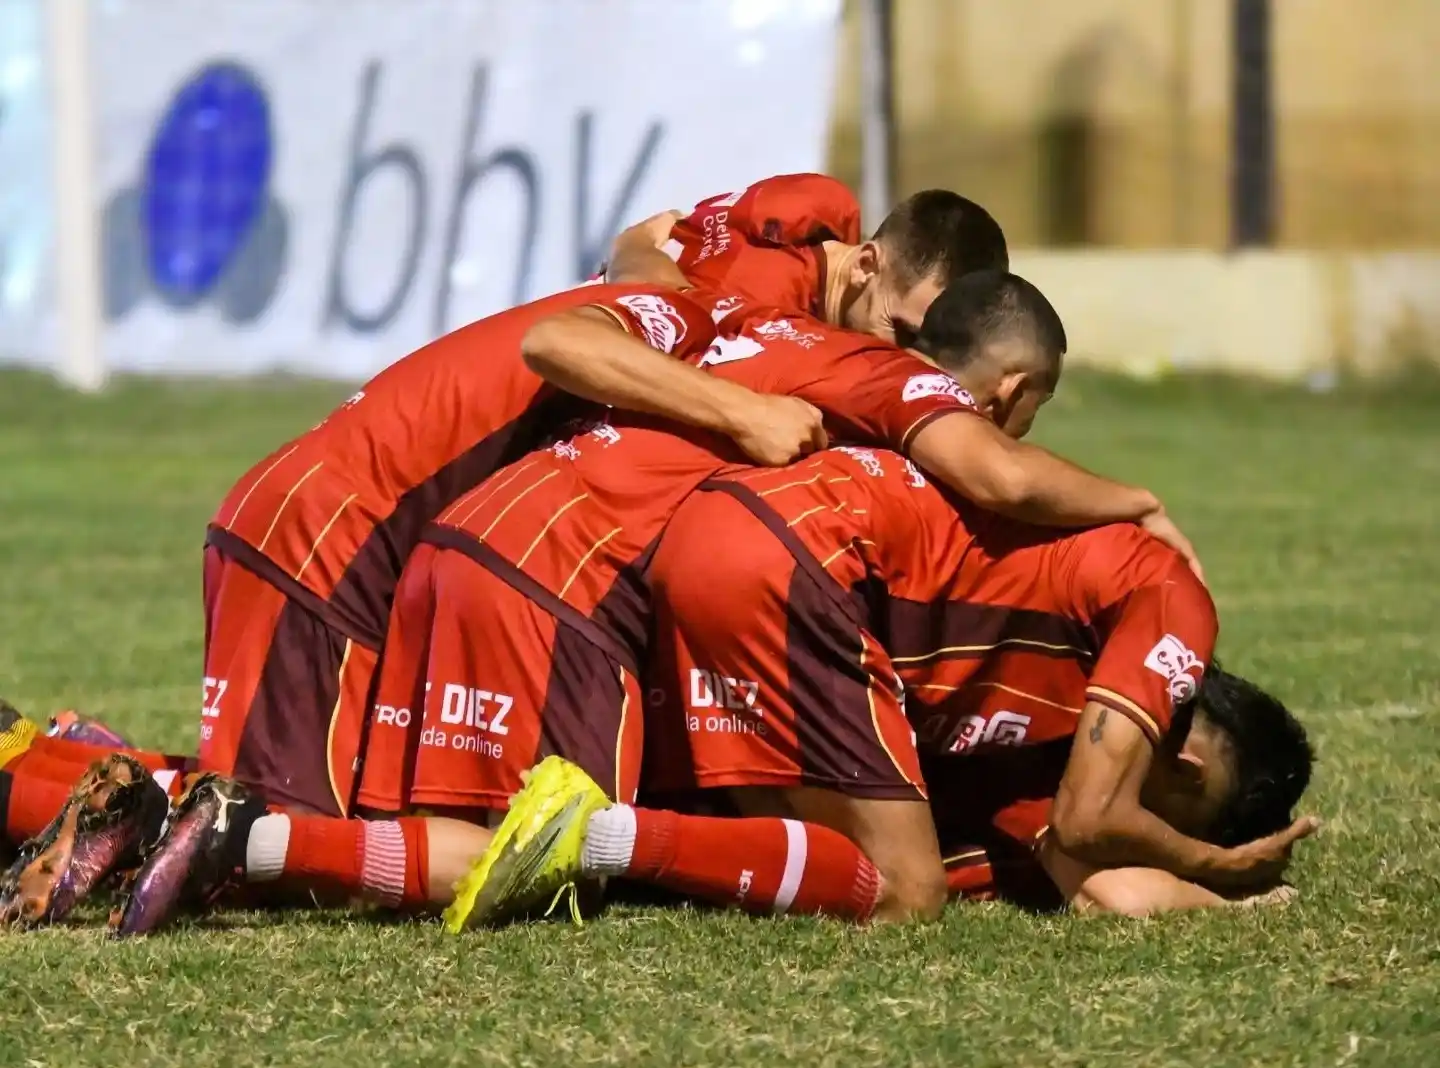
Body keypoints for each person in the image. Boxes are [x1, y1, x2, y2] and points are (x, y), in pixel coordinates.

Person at [0, 177, 1018, 917]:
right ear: (865, 265)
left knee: (311, 826)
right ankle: (24, 778)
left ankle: (59, 755)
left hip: (354, 520)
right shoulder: (731, 309)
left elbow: (647, 238)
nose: (889, 362)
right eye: (897, 329)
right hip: (341, 534)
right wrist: (742, 414)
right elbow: (572, 335)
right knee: (274, 848)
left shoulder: (733, 262)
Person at [453, 440, 1317, 925]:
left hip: (700, 533)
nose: (1145, 830)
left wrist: (1232, 904)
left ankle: (597, 840)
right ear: (1191, 766)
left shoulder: (1048, 741)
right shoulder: (1169, 603)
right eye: (1171, 817)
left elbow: (1111, 885)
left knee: (445, 836)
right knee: (905, 892)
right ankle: (605, 836)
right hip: (803, 574)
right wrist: (1218, 866)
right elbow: (1094, 824)